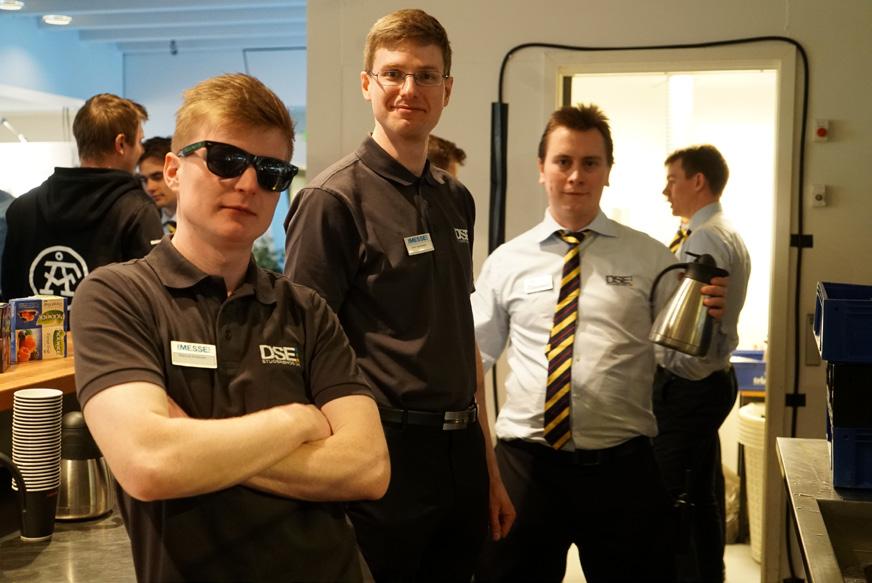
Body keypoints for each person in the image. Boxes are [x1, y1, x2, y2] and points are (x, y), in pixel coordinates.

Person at [72, 73, 389, 583]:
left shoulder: (306, 310)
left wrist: (195, 445)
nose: (247, 184)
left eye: (270, 172)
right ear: (173, 170)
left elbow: (368, 467)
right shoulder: (116, 297)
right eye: (225, 160)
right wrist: (298, 422)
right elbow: (150, 464)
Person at [284, 9, 514, 581]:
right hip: (381, 452)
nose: (410, 89)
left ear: (447, 90)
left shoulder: (454, 198)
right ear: (367, 84)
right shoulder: (332, 200)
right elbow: (298, 351)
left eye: (426, 75)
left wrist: (487, 465)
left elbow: (459, 335)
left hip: (460, 454)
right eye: (393, 73)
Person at [471, 104, 727, 583]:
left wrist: (713, 326)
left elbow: (688, 366)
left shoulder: (650, 258)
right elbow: (470, 362)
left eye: (590, 163)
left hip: (622, 471)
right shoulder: (506, 261)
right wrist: (479, 462)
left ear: (608, 171)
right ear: (542, 168)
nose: (576, 175)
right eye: (563, 161)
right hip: (526, 467)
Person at [654, 144, 751, 583]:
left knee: (670, 495)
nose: (666, 191)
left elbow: (686, 329)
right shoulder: (722, 231)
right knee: (703, 491)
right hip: (712, 380)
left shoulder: (705, 239)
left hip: (688, 385)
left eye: (672, 180)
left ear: (698, 181)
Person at [0, 93, 162, 302]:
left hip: (33, 325)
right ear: (121, 144)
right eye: (139, 141)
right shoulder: (137, 211)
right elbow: (153, 297)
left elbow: (10, 295)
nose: (141, 151)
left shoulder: (22, 207)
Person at [137, 136, 178, 234]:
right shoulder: (142, 224)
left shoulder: (207, 218)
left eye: (157, 176)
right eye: (144, 180)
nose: (149, 188)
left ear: (178, 171)